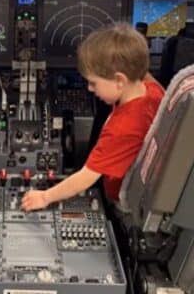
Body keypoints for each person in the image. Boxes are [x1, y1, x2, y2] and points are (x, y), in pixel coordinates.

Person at [22, 22, 164, 211]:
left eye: (94, 83)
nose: (90, 89)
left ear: (120, 80)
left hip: (120, 203)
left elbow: (86, 178)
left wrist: (45, 197)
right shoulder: (152, 90)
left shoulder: (122, 129)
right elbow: (139, 68)